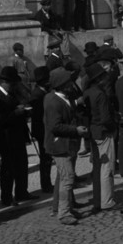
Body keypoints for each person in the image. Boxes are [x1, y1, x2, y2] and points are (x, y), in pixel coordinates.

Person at [43, 68, 89, 225]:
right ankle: (63, 213)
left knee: (65, 178)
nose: (72, 85)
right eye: (68, 82)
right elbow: (55, 127)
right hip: (59, 145)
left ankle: (66, 208)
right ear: (62, 85)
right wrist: (75, 130)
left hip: (67, 144)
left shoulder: (61, 97)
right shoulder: (53, 102)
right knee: (68, 178)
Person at [0, 66, 33, 206]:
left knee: (21, 165)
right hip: (6, 139)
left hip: (18, 136)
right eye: (13, 83)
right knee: (8, 169)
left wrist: (24, 112)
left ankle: (21, 192)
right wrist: (16, 113)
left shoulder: (12, 94)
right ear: (6, 82)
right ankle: (6, 197)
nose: (14, 86)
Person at [82, 62, 122, 213]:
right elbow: (106, 118)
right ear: (99, 79)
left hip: (93, 131)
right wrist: (113, 127)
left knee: (98, 168)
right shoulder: (100, 94)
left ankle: (99, 199)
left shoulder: (88, 92)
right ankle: (107, 201)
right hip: (104, 132)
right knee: (107, 168)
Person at [28, 65, 53, 194]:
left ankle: (47, 183)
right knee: (45, 159)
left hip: (43, 130)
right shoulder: (38, 95)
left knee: (47, 158)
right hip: (42, 131)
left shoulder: (42, 92)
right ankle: (46, 184)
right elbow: (39, 116)